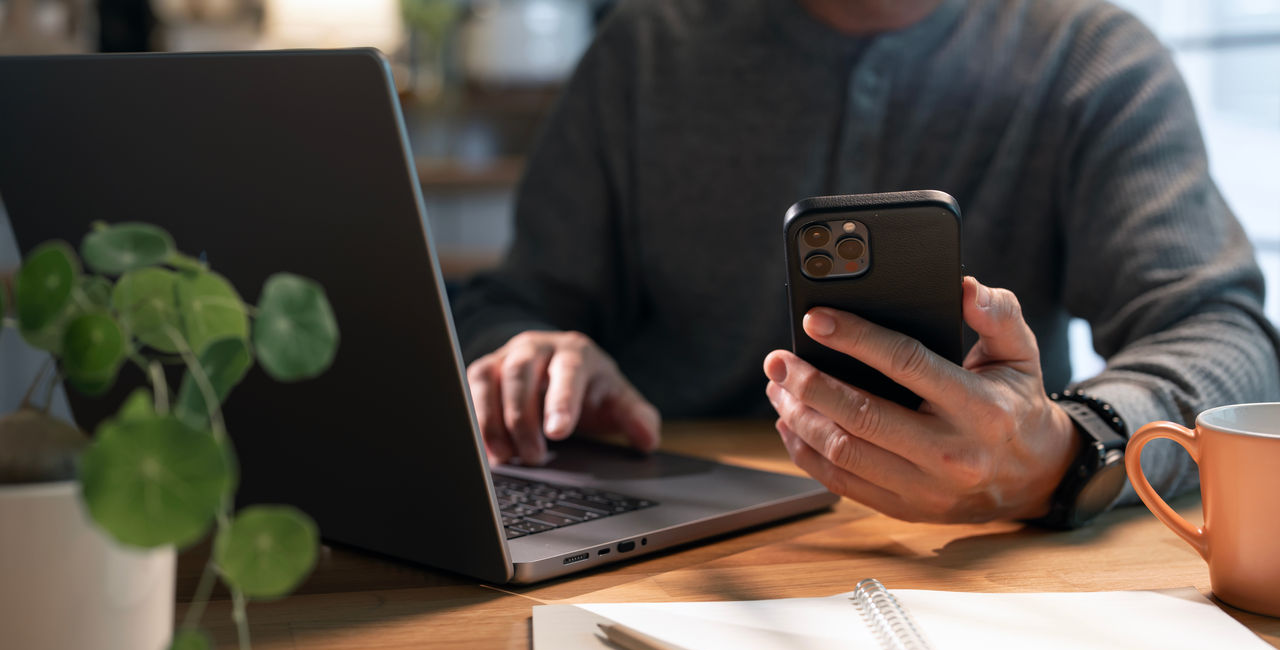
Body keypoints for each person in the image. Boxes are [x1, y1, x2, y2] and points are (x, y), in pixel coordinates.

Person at [451, 0, 1280, 525]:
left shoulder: (1092, 56)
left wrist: (1067, 448)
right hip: (665, 546)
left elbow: (1225, 342)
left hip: (990, 555)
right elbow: (514, 300)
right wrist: (533, 351)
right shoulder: (641, 50)